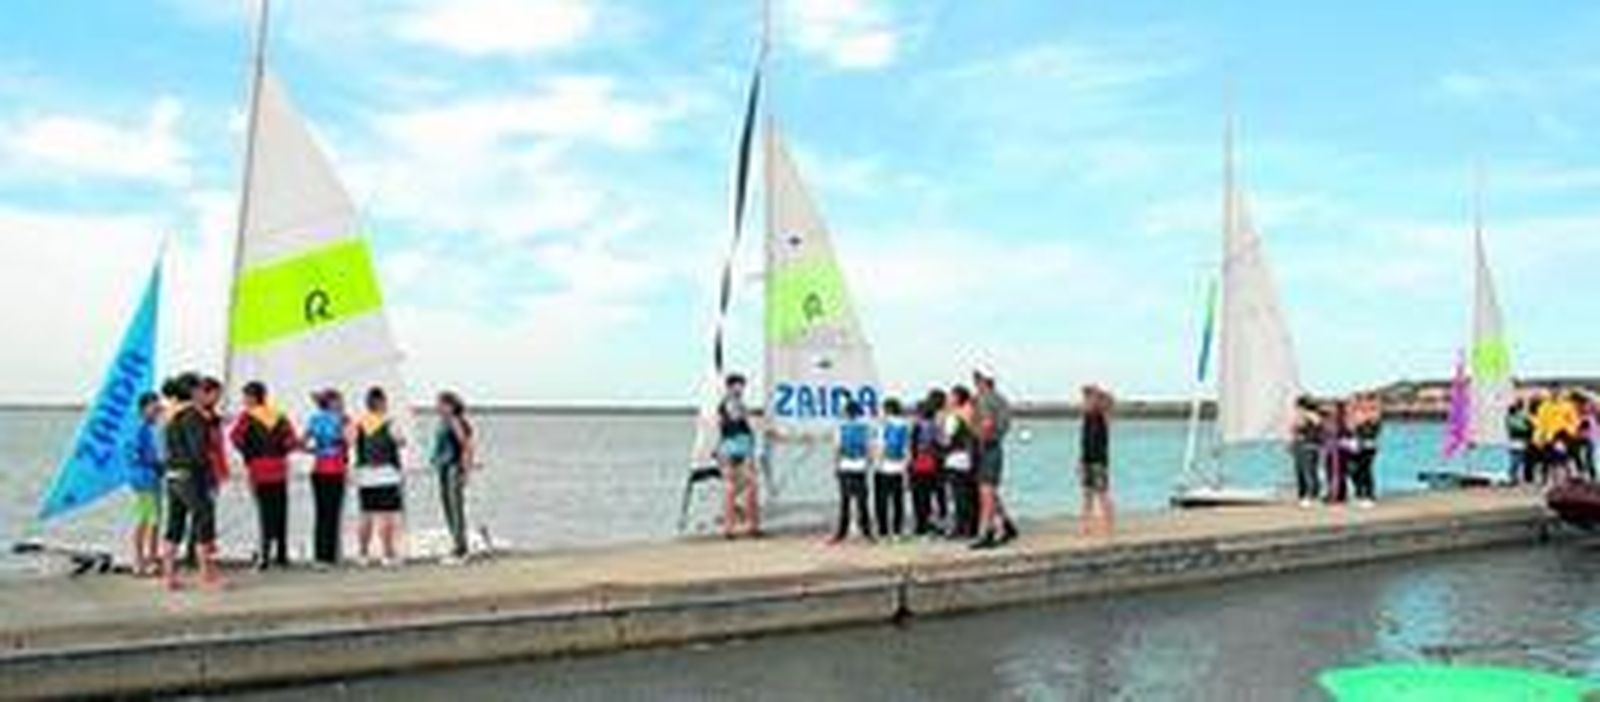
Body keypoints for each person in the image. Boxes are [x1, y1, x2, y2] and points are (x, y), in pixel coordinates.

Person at [159, 373, 224, 591]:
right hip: (190, 476)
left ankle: (169, 577)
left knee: (174, 525)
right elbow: (199, 453)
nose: (202, 392)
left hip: (172, 476)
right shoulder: (192, 415)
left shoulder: (171, 414)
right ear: (193, 391)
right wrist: (211, 479)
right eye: (199, 388)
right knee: (203, 518)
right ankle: (207, 577)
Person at [230, 381, 298, 570]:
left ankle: (265, 556)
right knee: (280, 511)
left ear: (253, 397)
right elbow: (291, 441)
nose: (244, 401)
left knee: (264, 513)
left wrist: (248, 454)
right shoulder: (279, 415)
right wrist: (281, 451)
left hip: (258, 470)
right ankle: (282, 555)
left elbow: (235, 438)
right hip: (279, 469)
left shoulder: (247, 417)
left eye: (245, 397)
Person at [355, 387, 406, 566]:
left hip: (365, 474)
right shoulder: (390, 422)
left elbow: (353, 444)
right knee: (386, 515)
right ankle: (387, 554)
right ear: (380, 402)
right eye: (384, 401)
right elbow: (401, 441)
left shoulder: (360, 423)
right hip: (387, 473)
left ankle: (362, 554)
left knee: (365, 515)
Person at [971, 368, 1018, 550]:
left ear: (984, 380)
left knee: (986, 494)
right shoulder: (1001, 399)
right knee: (991, 491)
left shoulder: (985, 399)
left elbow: (987, 425)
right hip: (995, 447)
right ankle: (1006, 526)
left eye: (976, 379)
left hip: (987, 448)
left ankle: (986, 533)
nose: (975, 382)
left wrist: (978, 435)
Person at [304, 389, 351, 567]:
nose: (342, 404)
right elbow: (350, 440)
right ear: (331, 402)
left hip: (320, 470)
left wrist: (317, 450)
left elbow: (302, 443)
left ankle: (323, 557)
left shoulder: (315, 419)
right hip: (334, 470)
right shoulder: (342, 419)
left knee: (324, 514)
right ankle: (327, 556)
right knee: (330, 513)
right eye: (339, 401)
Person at [432, 391, 477, 563]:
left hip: (454, 468)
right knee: (448, 507)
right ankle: (456, 544)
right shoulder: (443, 422)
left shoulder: (455, 421)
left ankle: (461, 550)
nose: (437, 407)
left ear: (450, 405)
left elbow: (467, 446)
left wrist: (466, 472)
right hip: (443, 468)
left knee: (455, 508)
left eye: (440, 404)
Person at [126, 392, 164, 576]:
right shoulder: (140, 427)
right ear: (143, 408)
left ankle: (145, 559)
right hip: (145, 479)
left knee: (147, 519)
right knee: (151, 520)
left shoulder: (146, 426)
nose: (157, 409)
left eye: (158, 406)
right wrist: (157, 464)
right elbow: (136, 454)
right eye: (154, 406)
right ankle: (146, 560)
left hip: (145, 478)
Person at [717, 374, 759, 539]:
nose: (741, 389)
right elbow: (734, 418)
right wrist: (746, 413)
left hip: (739, 444)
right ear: (730, 386)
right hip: (733, 446)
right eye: (738, 385)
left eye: (742, 386)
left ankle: (746, 525)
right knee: (734, 487)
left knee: (747, 486)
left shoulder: (734, 403)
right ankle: (733, 527)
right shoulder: (729, 403)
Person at [829, 400, 875, 544]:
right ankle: (867, 533)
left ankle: (841, 533)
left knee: (845, 501)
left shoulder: (840, 428)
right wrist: (868, 464)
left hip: (845, 466)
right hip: (860, 467)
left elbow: (837, 449)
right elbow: (869, 449)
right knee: (863, 502)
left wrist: (835, 466)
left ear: (846, 412)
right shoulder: (865, 428)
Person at [942, 386, 979, 539]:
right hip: (968, 458)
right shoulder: (970, 413)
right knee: (969, 494)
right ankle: (972, 527)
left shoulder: (954, 417)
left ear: (957, 398)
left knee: (959, 496)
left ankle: (961, 528)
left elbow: (947, 439)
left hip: (955, 459)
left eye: (951, 396)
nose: (948, 399)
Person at [1078, 385, 1114, 536]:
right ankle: (1085, 526)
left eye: (1088, 399)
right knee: (1087, 495)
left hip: (1099, 461)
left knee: (1102, 494)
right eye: (1085, 399)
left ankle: (1108, 526)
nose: (1085, 402)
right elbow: (1084, 442)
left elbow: (1110, 401)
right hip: (1087, 460)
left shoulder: (1102, 416)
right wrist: (1080, 461)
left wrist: (1097, 392)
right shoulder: (1086, 418)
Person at [874, 398, 911, 540]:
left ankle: (883, 531)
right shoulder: (905, 424)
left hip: (883, 467)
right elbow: (907, 447)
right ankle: (897, 531)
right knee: (897, 501)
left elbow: (881, 445)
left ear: (887, 409)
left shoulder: (883, 424)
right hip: (899, 467)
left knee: (882, 501)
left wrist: (876, 462)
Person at [908, 397, 944, 536]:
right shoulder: (936, 427)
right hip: (933, 464)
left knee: (918, 496)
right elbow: (940, 445)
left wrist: (910, 464)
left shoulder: (917, 426)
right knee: (928, 495)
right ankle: (929, 522)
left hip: (919, 464)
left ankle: (920, 524)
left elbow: (912, 447)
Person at [1350, 394, 1382, 508]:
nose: (1364, 404)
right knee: (1353, 469)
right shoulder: (1358, 413)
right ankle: (1360, 492)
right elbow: (1352, 427)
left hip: (1369, 446)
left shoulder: (1374, 414)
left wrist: (1362, 416)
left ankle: (1369, 495)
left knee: (1365, 469)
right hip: (1357, 446)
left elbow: (1373, 425)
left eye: (1366, 401)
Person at [1290, 396, 1323, 507]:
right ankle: (1302, 495)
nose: (1297, 409)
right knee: (1300, 472)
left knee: (1309, 472)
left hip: (1310, 446)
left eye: (1298, 407)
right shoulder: (1299, 416)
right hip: (1299, 446)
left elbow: (1317, 424)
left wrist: (1306, 416)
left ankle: (1313, 496)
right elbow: (1295, 431)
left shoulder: (1313, 416)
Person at [1323, 401, 1350, 504]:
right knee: (1331, 472)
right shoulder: (1331, 420)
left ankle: (1336, 495)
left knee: (1337, 473)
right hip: (1331, 450)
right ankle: (1335, 494)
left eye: (1332, 407)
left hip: (1338, 451)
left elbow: (1343, 435)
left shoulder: (1341, 421)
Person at [1506, 398, 1533, 485]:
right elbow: (1523, 427)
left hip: (1517, 439)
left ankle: (1514, 476)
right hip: (1518, 438)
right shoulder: (1520, 416)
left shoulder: (1514, 416)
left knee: (1517, 458)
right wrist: (1527, 428)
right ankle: (1513, 476)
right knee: (1518, 458)